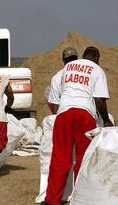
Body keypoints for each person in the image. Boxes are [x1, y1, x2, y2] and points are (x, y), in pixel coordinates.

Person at [43, 46, 113, 205]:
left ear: (83, 56)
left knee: (60, 159)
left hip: (64, 114)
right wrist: (106, 120)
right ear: (97, 58)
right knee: (83, 159)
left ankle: (52, 200)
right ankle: (81, 199)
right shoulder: (97, 70)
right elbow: (100, 100)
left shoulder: (67, 67)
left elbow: (57, 98)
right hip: (84, 115)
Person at [46, 47, 78, 114]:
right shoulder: (57, 78)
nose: (71, 62)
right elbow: (55, 104)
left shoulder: (82, 75)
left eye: (74, 59)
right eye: (69, 59)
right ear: (63, 60)